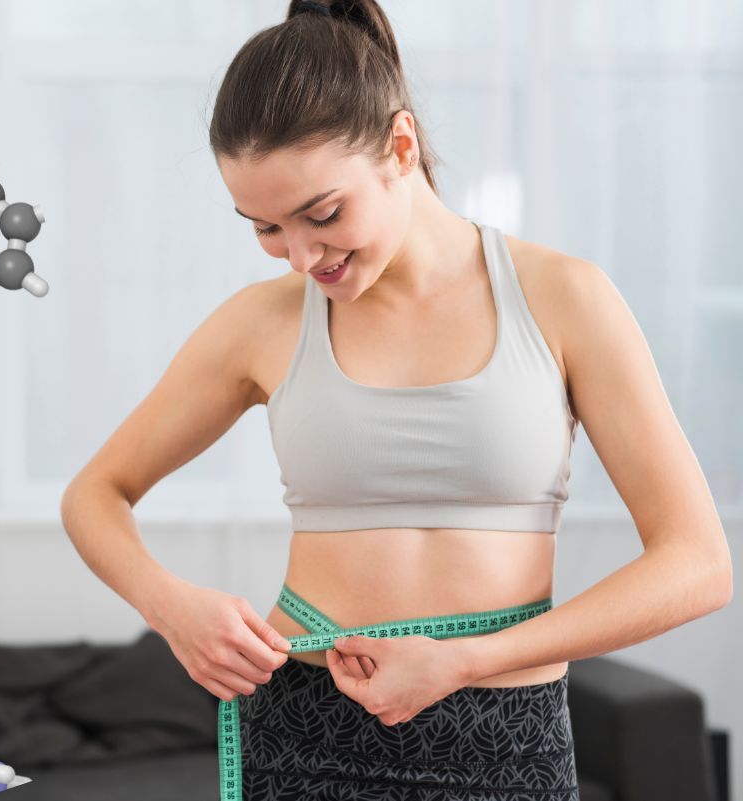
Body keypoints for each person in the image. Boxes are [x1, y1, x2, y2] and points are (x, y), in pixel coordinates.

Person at [60, 1, 732, 799]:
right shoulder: (263, 323)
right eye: (266, 228)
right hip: (304, 727)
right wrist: (173, 608)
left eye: (322, 214)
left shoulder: (563, 298)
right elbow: (94, 494)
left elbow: (697, 564)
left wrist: (467, 657)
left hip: (505, 733)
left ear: (400, 146)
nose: (303, 258)